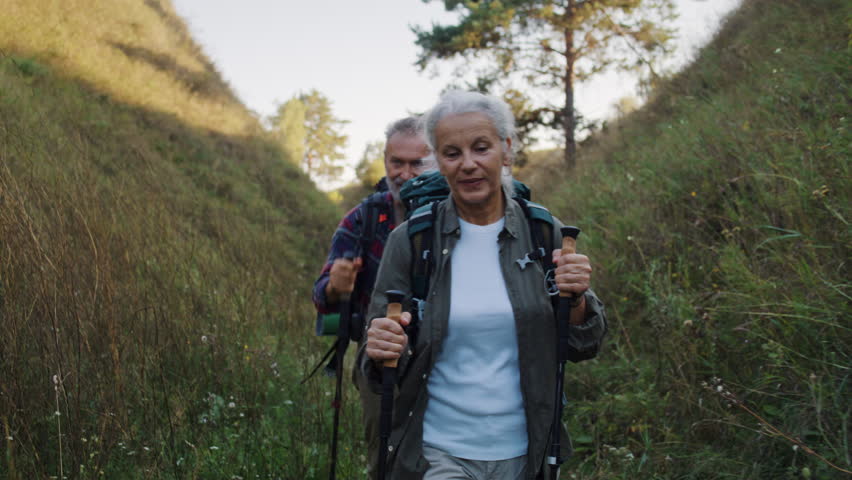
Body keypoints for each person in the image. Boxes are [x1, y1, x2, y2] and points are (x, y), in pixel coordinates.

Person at [360, 91, 607, 480]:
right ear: (438, 161)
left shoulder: (545, 233)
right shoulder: (412, 241)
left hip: (528, 452)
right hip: (438, 452)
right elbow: (374, 362)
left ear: (506, 150)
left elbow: (584, 342)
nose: (468, 164)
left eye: (481, 148)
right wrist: (382, 346)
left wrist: (575, 301)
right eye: (452, 153)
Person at [312, 116, 432, 478]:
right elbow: (322, 295)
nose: (405, 173)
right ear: (385, 161)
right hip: (379, 359)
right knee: (386, 459)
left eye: (417, 163)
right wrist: (336, 284)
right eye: (397, 162)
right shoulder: (363, 218)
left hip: (442, 354)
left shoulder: (453, 213)